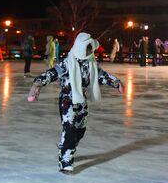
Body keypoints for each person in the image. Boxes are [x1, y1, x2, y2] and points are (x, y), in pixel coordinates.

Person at [27, 32, 124, 174]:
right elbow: (52, 73)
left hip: (81, 100)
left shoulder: (91, 62)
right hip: (67, 100)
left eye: (91, 48)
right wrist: (37, 84)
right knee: (70, 129)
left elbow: (101, 75)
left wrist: (115, 82)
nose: (89, 51)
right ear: (80, 47)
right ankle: (65, 159)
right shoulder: (68, 63)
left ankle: (66, 145)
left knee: (80, 129)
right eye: (87, 48)